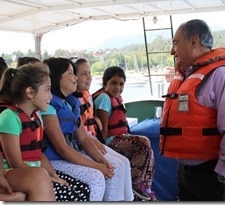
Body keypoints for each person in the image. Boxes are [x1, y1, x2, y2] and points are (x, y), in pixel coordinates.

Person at [159, 19, 225, 201]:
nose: (172, 50)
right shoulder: (185, 77)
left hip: (213, 172)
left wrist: (221, 174)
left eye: (175, 43)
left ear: (194, 42)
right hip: (185, 171)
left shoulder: (223, 75)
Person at [41, 57, 130, 201]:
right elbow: (62, 149)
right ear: (57, 77)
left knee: (112, 168)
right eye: (70, 73)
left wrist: (102, 161)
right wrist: (96, 166)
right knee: (96, 177)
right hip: (55, 160)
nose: (75, 77)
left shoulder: (72, 103)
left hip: (70, 155)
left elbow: (83, 138)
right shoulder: (49, 107)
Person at [0, 63, 90, 201]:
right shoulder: (10, 117)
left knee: (82, 189)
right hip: (12, 173)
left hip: (34, 172)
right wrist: (47, 178)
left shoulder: (35, 118)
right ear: (30, 92)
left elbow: (39, 154)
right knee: (51, 184)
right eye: (47, 90)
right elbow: (16, 163)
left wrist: (54, 176)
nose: (51, 96)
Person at [72, 57, 134, 201]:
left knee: (123, 162)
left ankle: (129, 199)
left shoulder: (83, 97)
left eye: (90, 73)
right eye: (84, 74)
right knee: (113, 168)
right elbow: (79, 138)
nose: (89, 78)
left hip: (91, 140)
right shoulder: (70, 102)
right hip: (81, 145)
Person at [92, 65, 157, 201]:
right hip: (109, 141)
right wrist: (104, 151)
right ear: (105, 83)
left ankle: (145, 186)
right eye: (113, 83)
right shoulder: (104, 98)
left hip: (119, 138)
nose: (118, 87)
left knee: (149, 151)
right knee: (144, 142)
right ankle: (135, 182)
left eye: (121, 84)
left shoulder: (117, 98)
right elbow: (103, 129)